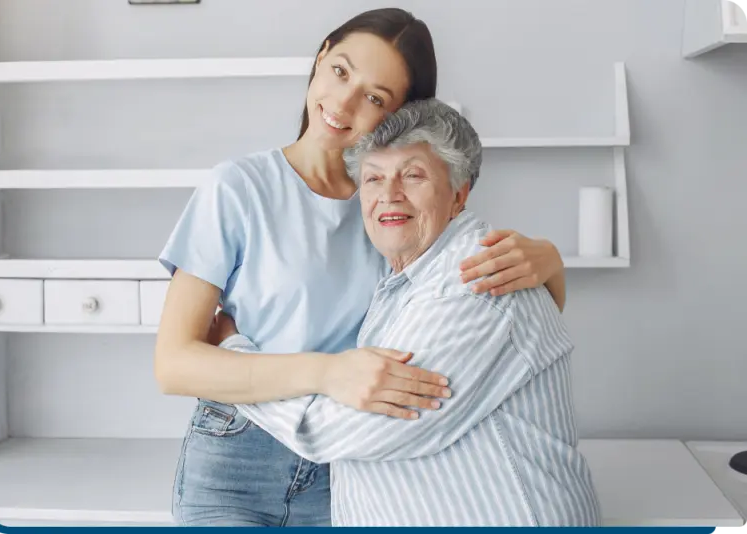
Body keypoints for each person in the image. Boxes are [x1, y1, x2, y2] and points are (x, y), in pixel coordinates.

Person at [154, 8, 568, 527]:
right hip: (236, 457)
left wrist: (550, 262)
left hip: (353, 464)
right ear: (322, 55)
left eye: (375, 98)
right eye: (341, 71)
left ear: (400, 117)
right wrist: (328, 372)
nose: (343, 103)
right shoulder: (237, 188)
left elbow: (489, 315)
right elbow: (174, 365)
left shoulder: (392, 206)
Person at [214, 98, 601, 527]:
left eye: (413, 175)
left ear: (459, 193)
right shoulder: (404, 280)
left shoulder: (474, 284)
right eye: (374, 178)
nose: (388, 195)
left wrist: (233, 357)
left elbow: (335, 428)